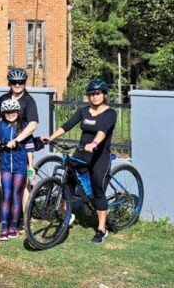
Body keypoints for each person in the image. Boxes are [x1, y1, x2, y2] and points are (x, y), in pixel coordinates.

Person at [43, 79, 116, 244]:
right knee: (67, 181)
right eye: (91, 94)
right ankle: (67, 215)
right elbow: (67, 125)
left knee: (97, 188)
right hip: (82, 152)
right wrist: (51, 137)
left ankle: (101, 229)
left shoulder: (110, 113)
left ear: (104, 95)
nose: (94, 97)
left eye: (97, 93)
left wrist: (94, 144)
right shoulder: (84, 111)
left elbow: (102, 131)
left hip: (99, 155)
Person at [0, 99, 33, 240]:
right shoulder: (0, 125)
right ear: (3, 114)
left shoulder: (24, 126)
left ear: (18, 112)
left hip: (20, 165)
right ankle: (4, 227)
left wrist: (31, 166)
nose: (10, 114)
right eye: (7, 112)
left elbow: (30, 148)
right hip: (5, 165)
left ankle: (14, 226)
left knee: (16, 194)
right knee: (6, 195)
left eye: (13, 111)